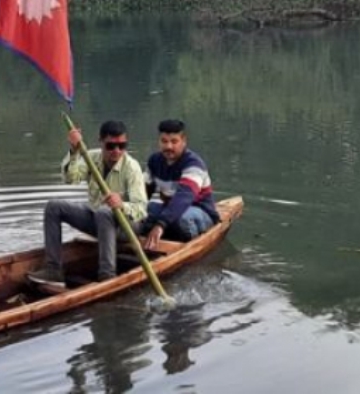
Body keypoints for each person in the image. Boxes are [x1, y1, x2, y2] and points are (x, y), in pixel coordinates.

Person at [27, 120, 148, 287]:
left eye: (122, 145)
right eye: (111, 146)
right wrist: (74, 151)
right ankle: (53, 270)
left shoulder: (132, 167)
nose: (117, 151)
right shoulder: (91, 157)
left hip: (126, 226)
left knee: (105, 212)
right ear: (101, 142)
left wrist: (122, 205)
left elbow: (142, 210)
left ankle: (107, 275)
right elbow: (70, 178)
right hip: (97, 219)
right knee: (54, 207)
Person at [140, 119, 219, 250]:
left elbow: (184, 197)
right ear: (158, 142)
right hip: (169, 209)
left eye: (174, 141)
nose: (168, 146)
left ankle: (190, 247)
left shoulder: (193, 164)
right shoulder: (154, 160)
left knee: (183, 219)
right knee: (145, 211)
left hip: (198, 211)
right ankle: (151, 241)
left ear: (184, 141)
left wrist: (160, 225)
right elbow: (143, 191)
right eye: (164, 141)